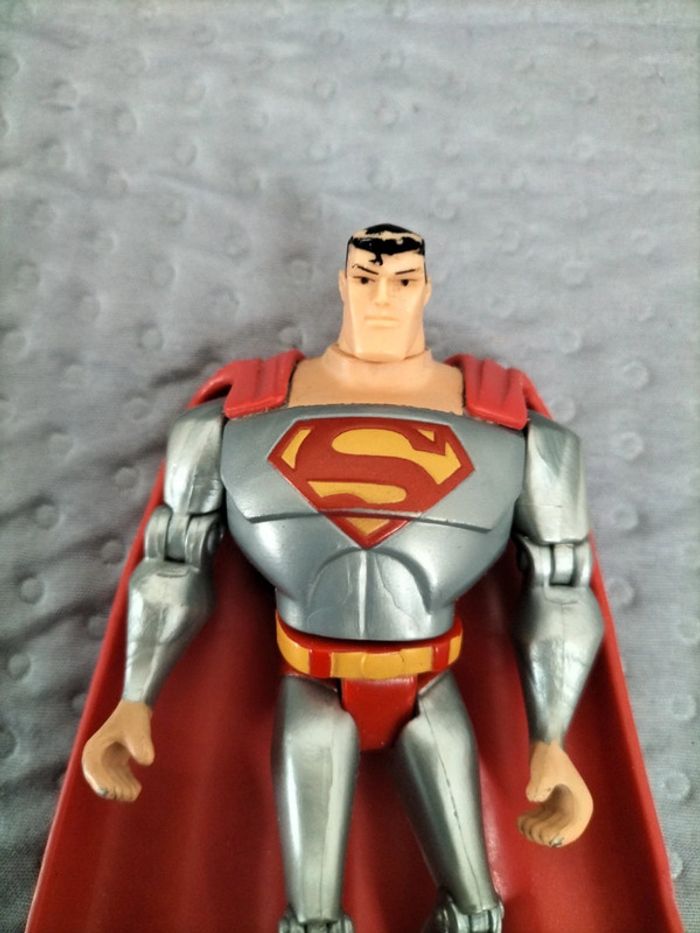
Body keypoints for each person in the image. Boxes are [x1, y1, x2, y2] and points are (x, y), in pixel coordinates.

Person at [82, 224, 604, 933]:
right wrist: (133, 699)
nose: (382, 296)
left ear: (425, 288)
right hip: (310, 683)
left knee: (478, 911)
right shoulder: (234, 418)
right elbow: (174, 559)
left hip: (429, 686)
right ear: (342, 283)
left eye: (402, 279)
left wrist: (552, 739)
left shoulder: (518, 430)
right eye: (365, 277)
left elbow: (561, 585)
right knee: (312, 919)